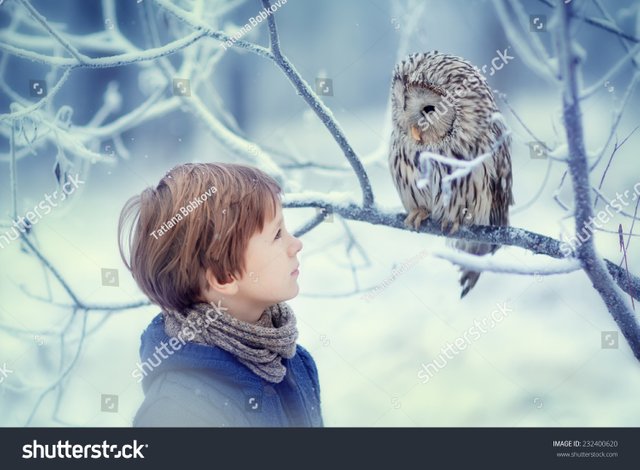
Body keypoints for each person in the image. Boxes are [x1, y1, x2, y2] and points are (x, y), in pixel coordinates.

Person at [118, 163, 323, 427]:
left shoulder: (298, 366)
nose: (296, 244)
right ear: (225, 276)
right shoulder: (176, 413)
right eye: (276, 235)